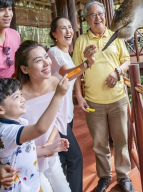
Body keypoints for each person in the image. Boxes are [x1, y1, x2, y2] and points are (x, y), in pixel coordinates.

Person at [73, 0, 133, 192]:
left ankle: (124, 177)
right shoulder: (81, 41)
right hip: (93, 102)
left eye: (100, 14)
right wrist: (79, 97)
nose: (97, 18)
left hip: (117, 99)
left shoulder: (115, 37)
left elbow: (127, 61)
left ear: (105, 16)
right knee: (99, 143)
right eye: (92, 15)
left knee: (121, 140)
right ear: (86, 19)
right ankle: (104, 177)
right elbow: (75, 72)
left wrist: (118, 73)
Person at [48, 16, 98, 192]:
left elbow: (73, 76)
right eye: (63, 28)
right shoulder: (53, 52)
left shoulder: (66, 55)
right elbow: (67, 74)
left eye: (70, 27)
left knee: (62, 159)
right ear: (54, 34)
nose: (68, 31)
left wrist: (79, 94)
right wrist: (85, 64)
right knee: (75, 158)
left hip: (66, 114)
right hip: (57, 117)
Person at [14, 40, 71, 192]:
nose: (46, 63)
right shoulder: (16, 96)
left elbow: (60, 117)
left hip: (50, 151)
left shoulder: (56, 84)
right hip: (28, 158)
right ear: (25, 69)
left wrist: (50, 144)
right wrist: (41, 149)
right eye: (39, 60)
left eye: (46, 56)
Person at [0, 77, 70, 192]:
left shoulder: (21, 121)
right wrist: (58, 95)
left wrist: (49, 149)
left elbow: (26, 150)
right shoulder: (6, 131)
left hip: (32, 186)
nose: (22, 99)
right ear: (1, 110)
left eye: (21, 94)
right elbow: (40, 128)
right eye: (16, 97)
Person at [0, 0, 20, 78]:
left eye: (10, 9)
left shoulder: (15, 35)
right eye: (1, 10)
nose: (8, 14)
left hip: (15, 88)